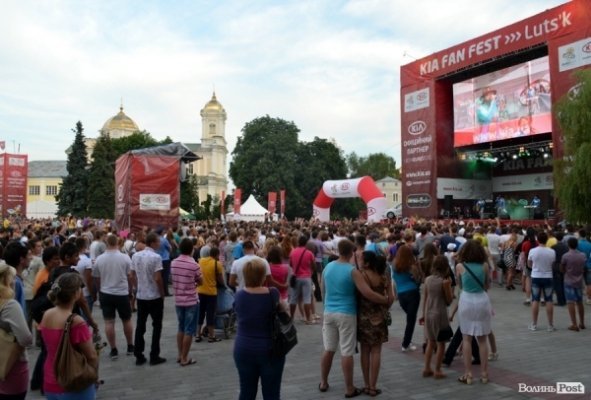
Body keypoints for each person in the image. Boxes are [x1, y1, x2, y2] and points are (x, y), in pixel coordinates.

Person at [319, 239, 391, 398]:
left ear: (339, 250)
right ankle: (349, 388)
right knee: (346, 351)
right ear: (351, 252)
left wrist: (326, 306)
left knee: (329, 349)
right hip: (346, 313)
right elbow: (367, 293)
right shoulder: (352, 271)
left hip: (329, 312)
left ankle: (323, 382)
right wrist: (385, 300)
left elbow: (322, 289)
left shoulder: (328, 267)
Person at [39, 272, 98, 400]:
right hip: (73, 381)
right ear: (76, 293)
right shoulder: (76, 321)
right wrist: (94, 374)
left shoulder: (47, 314)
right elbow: (91, 355)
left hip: (50, 379)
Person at [233, 259, 286, 400]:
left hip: (244, 347)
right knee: (272, 393)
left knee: (246, 392)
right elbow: (283, 311)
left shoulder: (239, 295)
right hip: (270, 348)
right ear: (263, 275)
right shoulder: (272, 293)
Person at [357, 251, 395, 397]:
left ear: (367, 263)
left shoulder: (362, 275)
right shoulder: (384, 276)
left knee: (364, 351)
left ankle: (366, 384)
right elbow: (391, 297)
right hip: (379, 318)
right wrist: (385, 307)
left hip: (364, 318)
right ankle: (373, 386)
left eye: (361, 259)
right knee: (376, 352)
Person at [455, 240, 492, 385]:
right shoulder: (485, 266)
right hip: (482, 300)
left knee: (467, 339)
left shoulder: (460, 266)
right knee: (482, 339)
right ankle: (484, 374)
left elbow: (460, 285)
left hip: (466, 300)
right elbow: (487, 285)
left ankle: (468, 374)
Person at [93, 234, 135, 360]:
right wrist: (131, 290)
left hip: (106, 292)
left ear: (106, 243)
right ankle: (130, 346)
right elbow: (130, 276)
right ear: (117, 243)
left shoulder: (100, 259)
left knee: (109, 322)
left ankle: (113, 349)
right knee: (126, 320)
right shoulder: (125, 258)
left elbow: (96, 278)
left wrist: (99, 291)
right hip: (122, 293)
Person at [131, 232, 166, 366]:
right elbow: (158, 278)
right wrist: (162, 293)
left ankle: (138, 354)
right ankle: (154, 355)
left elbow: (131, 274)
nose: (159, 243)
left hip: (141, 295)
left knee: (140, 325)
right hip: (154, 295)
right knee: (156, 326)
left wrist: (136, 286)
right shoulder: (156, 257)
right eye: (157, 241)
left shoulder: (136, 256)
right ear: (152, 243)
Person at [0, 262, 33, 400]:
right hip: (11, 366)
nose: (15, 281)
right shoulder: (10, 305)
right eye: (13, 277)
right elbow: (25, 338)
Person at [170, 237, 202, 365]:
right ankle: (184, 358)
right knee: (189, 330)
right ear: (191, 249)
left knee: (181, 327)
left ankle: (180, 354)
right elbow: (201, 281)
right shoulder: (194, 264)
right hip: (191, 300)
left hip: (178, 299)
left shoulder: (174, 263)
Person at [422, 255, 453, 379]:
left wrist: (423, 314)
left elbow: (425, 298)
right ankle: (438, 370)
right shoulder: (444, 282)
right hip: (440, 314)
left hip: (428, 313)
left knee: (430, 342)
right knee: (441, 344)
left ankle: (426, 368)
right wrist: (449, 286)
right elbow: (449, 300)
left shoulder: (427, 280)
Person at [392, 244, 422, 352]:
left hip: (401, 294)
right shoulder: (411, 266)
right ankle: (406, 343)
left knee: (410, 318)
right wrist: (419, 268)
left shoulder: (394, 265)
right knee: (411, 319)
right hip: (413, 293)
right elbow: (419, 279)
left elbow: (394, 281)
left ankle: (407, 342)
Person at [527, 232, 556, 331]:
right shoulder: (552, 252)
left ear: (538, 240)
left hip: (536, 276)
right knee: (549, 300)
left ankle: (534, 324)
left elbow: (529, 264)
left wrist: (535, 268)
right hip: (548, 276)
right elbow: (552, 264)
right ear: (547, 240)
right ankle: (550, 325)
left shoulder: (533, 251)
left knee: (535, 300)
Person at [196, 247, 225, 342]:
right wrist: (224, 285)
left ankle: (197, 334)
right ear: (217, 255)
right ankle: (211, 336)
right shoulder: (217, 264)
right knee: (210, 314)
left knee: (200, 313)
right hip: (211, 292)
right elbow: (220, 279)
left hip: (200, 291)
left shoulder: (201, 261)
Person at [288, 236, 316, 324]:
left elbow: (290, 264)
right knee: (307, 298)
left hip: (296, 277)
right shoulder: (309, 253)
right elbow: (314, 265)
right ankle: (308, 319)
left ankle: (291, 318)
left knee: (293, 298)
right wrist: (310, 270)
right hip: (306, 277)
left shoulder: (293, 252)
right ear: (306, 243)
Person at [560, 237, 586, 331]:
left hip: (569, 281)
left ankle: (574, 324)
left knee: (570, 302)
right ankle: (582, 323)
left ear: (568, 245)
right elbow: (584, 266)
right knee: (580, 302)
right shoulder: (582, 255)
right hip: (579, 281)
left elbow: (562, 268)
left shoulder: (565, 256)